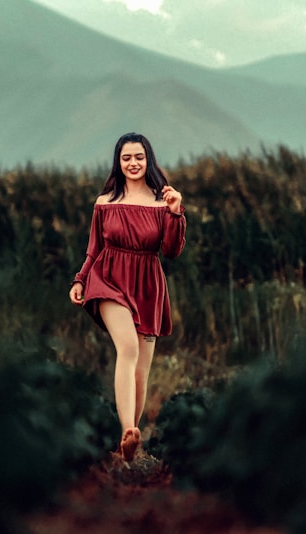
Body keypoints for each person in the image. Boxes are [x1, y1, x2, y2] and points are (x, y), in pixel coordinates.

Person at [68, 132, 186, 462]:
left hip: (148, 285)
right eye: (126, 158)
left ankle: (129, 446)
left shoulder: (164, 202)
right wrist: (80, 280)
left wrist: (176, 213)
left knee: (140, 371)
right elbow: (94, 249)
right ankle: (126, 429)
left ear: (148, 159)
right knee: (128, 348)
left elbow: (172, 251)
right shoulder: (105, 202)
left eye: (138, 157)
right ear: (118, 163)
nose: (132, 163)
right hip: (108, 279)